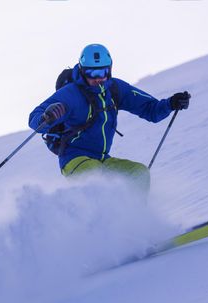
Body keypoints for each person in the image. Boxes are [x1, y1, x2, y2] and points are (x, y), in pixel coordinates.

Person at [29, 44, 190, 192]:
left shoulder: (115, 89)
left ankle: (136, 219)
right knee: (96, 178)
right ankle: (100, 222)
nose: (98, 77)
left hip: (102, 159)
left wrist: (171, 103)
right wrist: (46, 116)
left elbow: (151, 110)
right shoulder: (71, 94)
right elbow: (34, 119)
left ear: (109, 69)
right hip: (74, 159)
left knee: (138, 173)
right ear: (83, 71)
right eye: (92, 73)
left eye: (102, 72)